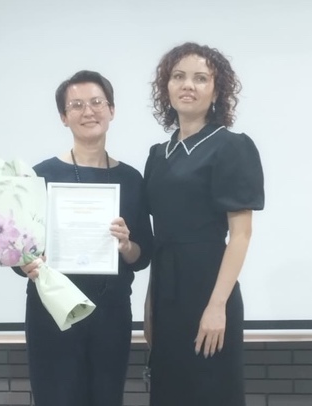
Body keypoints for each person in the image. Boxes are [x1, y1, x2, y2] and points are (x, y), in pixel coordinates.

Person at [15, 70, 153, 406]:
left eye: (96, 103)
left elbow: (143, 255)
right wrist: (27, 262)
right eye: (76, 105)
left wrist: (126, 245)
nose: (88, 111)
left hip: (111, 314)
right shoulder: (41, 175)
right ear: (64, 117)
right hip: (53, 315)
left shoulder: (131, 179)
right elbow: (19, 252)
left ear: (111, 110)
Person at [143, 42, 265, 406]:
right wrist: (149, 304)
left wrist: (217, 306)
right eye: (178, 76)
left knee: (211, 391)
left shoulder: (231, 147)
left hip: (209, 287)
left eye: (200, 78)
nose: (188, 85)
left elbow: (241, 234)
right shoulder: (157, 155)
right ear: (166, 87)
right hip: (166, 291)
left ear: (216, 90)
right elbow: (159, 237)